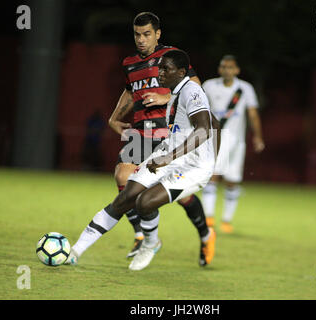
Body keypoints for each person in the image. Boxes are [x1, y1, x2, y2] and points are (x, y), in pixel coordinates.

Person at [66, 50, 217, 271]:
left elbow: (204, 130)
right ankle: (75, 251)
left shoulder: (192, 91)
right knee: (125, 197)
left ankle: (150, 242)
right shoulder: (175, 91)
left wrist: (204, 162)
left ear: (182, 72)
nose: (160, 73)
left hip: (192, 165)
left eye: (166, 69)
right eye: (160, 67)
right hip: (168, 151)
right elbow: (214, 122)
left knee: (144, 202)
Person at [107, 12, 213, 259]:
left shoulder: (171, 57)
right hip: (141, 131)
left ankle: (205, 235)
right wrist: (113, 118)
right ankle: (142, 236)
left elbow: (195, 85)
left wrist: (166, 97)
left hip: (169, 133)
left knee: (182, 196)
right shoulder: (129, 63)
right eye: (137, 34)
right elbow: (129, 92)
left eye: (146, 34)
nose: (141, 39)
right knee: (122, 176)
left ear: (157, 34)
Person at [201, 55, 265, 233]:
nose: (227, 70)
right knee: (213, 175)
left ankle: (227, 220)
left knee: (232, 180)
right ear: (219, 69)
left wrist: (258, 136)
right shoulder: (209, 86)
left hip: (237, 142)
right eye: (223, 67)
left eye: (230, 67)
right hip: (216, 137)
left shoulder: (245, 88)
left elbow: (252, 114)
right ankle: (209, 217)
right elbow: (200, 110)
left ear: (237, 70)